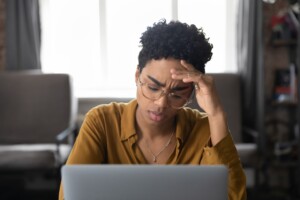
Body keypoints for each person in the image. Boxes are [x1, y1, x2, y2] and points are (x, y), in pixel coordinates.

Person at [59, 19, 246, 200]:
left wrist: (216, 114)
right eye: (153, 87)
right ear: (137, 75)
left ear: (191, 92)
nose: (161, 103)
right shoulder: (101, 122)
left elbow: (234, 197)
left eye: (177, 93)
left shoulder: (205, 129)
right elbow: (70, 196)